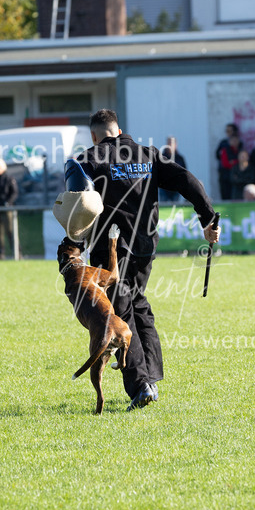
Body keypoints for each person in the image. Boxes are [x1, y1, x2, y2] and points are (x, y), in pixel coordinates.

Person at [70, 109, 219, 411]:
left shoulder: (90, 158)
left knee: (121, 311)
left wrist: (75, 241)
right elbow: (185, 179)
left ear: (94, 135)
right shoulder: (147, 154)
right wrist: (208, 218)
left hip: (110, 248)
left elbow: (77, 199)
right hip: (145, 247)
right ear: (119, 129)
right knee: (138, 304)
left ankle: (141, 385)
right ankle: (151, 376)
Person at [215, 124, 241, 200]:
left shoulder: (240, 146)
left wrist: (234, 162)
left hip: (236, 175)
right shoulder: (223, 144)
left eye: (230, 131)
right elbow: (219, 157)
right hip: (225, 174)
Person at [158, 136, 187, 204]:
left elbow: (184, 172)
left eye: (172, 143)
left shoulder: (180, 158)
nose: (170, 145)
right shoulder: (161, 157)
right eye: (168, 143)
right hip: (164, 187)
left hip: (176, 188)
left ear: (175, 144)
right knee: (164, 207)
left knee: (175, 206)